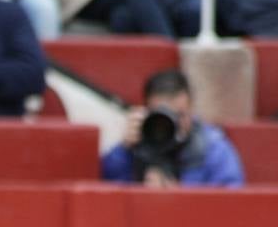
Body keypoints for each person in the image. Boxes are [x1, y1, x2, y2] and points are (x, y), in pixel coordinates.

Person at [100, 70, 244, 188]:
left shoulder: (213, 148)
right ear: (148, 111)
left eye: (179, 115)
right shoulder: (135, 144)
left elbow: (230, 204)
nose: (173, 124)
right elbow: (107, 190)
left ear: (192, 110)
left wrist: (179, 199)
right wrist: (124, 149)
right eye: (163, 115)